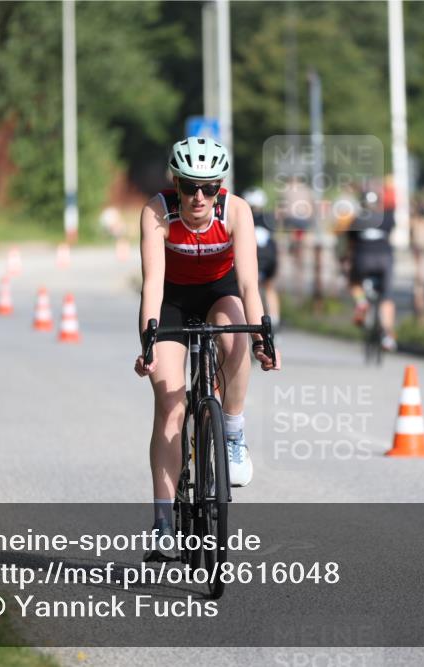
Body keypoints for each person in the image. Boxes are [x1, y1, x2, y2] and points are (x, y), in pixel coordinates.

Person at [134, 137, 281, 561]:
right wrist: (149, 342)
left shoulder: (236, 212)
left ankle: (232, 433)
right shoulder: (157, 212)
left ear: (220, 187)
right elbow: (154, 285)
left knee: (236, 332)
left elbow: (250, 285)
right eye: (189, 186)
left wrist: (262, 340)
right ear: (175, 183)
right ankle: (163, 522)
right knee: (171, 406)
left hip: (221, 292)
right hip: (173, 301)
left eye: (209, 186)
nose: (198, 197)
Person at [346, 189, 397, 351]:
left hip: (362, 259)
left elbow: (350, 243)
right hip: (384, 260)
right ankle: (387, 336)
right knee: (387, 298)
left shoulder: (355, 220)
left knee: (354, 282)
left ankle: (361, 302)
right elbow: (389, 234)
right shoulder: (387, 218)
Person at [243, 188, 281, 329]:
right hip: (271, 257)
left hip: (256, 257)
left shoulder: (246, 217)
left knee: (252, 288)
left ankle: (256, 321)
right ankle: (275, 319)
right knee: (270, 287)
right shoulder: (269, 218)